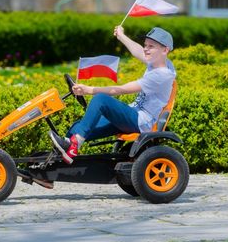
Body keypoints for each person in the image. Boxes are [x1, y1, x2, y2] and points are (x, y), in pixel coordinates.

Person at [49, 26, 176, 164]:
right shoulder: (160, 62)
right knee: (77, 128)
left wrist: (89, 90)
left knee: (100, 100)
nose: (146, 49)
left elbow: (121, 89)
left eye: (151, 46)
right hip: (132, 114)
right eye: (146, 45)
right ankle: (61, 156)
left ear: (165, 50)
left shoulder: (161, 75)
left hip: (141, 121)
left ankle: (76, 144)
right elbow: (138, 50)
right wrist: (121, 35)